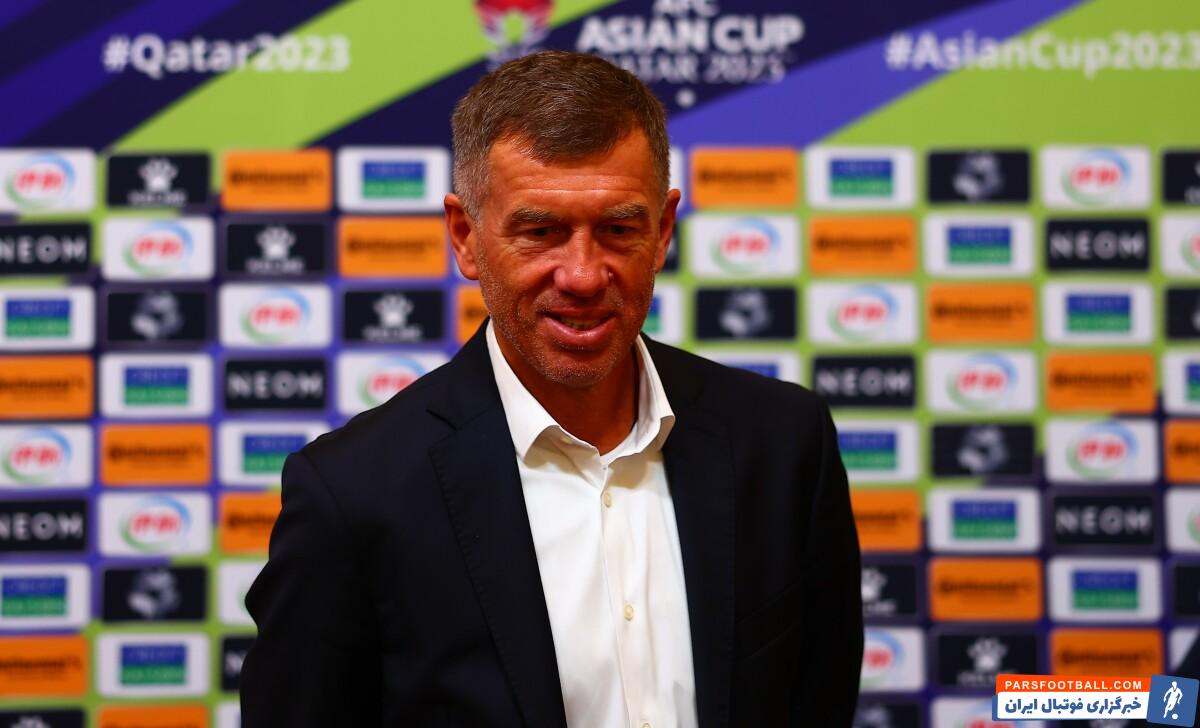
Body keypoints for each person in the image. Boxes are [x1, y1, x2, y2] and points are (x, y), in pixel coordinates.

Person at [239, 49, 863, 727]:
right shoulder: (353, 492)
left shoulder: (784, 444)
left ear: (662, 231)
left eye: (618, 229)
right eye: (540, 231)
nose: (583, 275)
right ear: (466, 236)